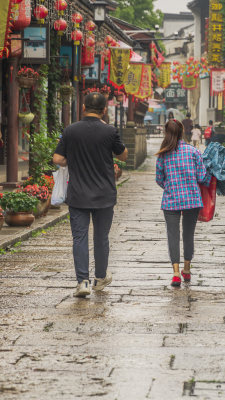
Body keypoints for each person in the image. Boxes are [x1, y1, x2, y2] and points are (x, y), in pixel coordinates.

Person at [53, 92, 128, 297]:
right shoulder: (109, 131)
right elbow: (123, 154)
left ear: (83, 107)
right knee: (101, 237)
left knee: (80, 237)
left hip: (78, 194)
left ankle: (82, 282)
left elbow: (58, 158)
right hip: (104, 194)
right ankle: (100, 278)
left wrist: (72, 160)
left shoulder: (70, 131)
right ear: (104, 110)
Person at [156, 119, 210, 287]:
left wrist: (171, 187)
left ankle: (176, 273)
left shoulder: (163, 154)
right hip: (192, 200)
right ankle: (187, 269)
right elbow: (202, 177)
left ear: (167, 133)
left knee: (172, 236)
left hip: (170, 201)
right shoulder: (193, 151)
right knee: (188, 235)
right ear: (182, 132)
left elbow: (159, 179)